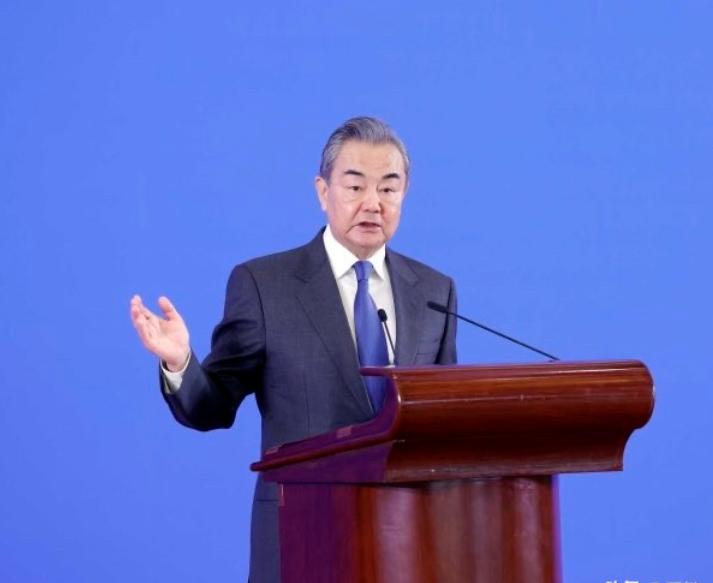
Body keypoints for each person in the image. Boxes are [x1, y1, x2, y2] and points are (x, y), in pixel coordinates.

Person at [130, 116, 458, 583]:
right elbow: (212, 407)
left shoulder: (434, 291)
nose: (373, 203)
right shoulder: (266, 285)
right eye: (355, 186)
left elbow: (441, 426)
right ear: (323, 192)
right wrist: (180, 361)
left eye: (388, 188)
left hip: (406, 543)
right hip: (302, 533)